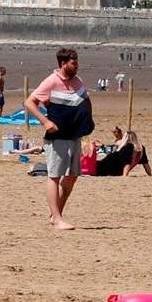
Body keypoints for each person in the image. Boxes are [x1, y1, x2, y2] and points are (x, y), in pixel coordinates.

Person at [25, 48, 92, 230]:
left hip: (75, 135)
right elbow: (29, 102)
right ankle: (57, 218)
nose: (76, 66)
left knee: (71, 176)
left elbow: (86, 101)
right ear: (63, 64)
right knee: (54, 176)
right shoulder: (51, 82)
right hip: (57, 138)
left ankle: (56, 214)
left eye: (77, 62)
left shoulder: (78, 82)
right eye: (73, 63)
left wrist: (87, 125)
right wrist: (45, 122)